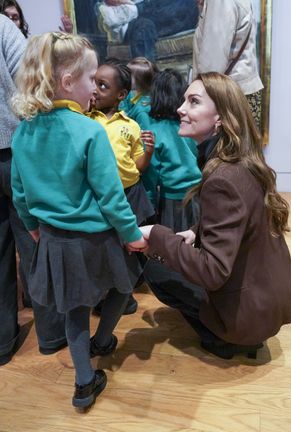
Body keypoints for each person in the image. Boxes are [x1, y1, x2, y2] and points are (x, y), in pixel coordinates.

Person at [10, 32, 147, 410]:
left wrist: (34, 227)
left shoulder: (23, 134)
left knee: (73, 312)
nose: (94, 88)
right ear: (68, 82)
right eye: (91, 79)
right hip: (96, 239)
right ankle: (103, 340)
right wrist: (132, 234)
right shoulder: (90, 130)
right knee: (122, 286)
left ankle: (84, 383)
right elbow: (110, 196)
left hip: (54, 241)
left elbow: (20, 193)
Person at [140, 72, 291, 360]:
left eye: (193, 101)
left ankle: (224, 339)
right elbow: (243, 220)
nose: (180, 108)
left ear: (220, 118)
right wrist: (197, 231)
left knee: (156, 271)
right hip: (268, 300)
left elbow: (213, 272)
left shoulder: (222, 178)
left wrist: (158, 234)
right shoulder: (242, 162)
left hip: (250, 314)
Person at [0, 16, 67, 367]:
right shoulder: (1, 26)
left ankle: (1, 343)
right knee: (35, 242)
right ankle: (52, 334)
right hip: (15, 147)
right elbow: (29, 78)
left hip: (15, 148)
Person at [89, 58, 155, 315]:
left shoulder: (131, 125)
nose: (95, 89)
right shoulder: (86, 120)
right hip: (98, 197)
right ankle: (102, 294)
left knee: (126, 247)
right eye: (93, 82)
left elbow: (137, 165)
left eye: (102, 86)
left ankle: (123, 295)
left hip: (129, 194)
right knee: (102, 248)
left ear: (121, 94)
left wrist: (148, 152)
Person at [138, 68, 201, 230]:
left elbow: (151, 173)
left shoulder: (154, 130)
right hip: (199, 194)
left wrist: (150, 203)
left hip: (171, 199)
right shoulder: (191, 125)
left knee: (173, 246)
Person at [193, 0, 263, 126]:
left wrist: (195, 100)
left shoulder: (220, 2)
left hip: (227, 98)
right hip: (237, 92)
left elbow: (212, 62)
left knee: (226, 145)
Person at [98, 0, 199, 61]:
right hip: (132, 20)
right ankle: (146, 82)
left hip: (154, 12)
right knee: (144, 26)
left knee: (188, 3)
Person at [120, 56, 157, 125]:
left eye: (128, 75)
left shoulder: (142, 113)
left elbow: (146, 132)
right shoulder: (133, 94)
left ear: (140, 81)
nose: (124, 77)